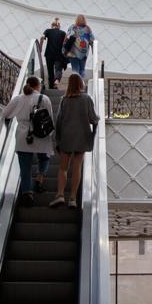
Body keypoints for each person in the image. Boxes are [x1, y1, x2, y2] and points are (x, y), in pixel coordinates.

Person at [2, 76, 54, 207]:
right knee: (45, 157)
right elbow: (50, 118)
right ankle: (39, 178)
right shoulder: (44, 99)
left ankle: (27, 193)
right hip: (41, 134)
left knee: (25, 166)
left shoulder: (18, 99)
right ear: (38, 86)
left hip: (23, 135)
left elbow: (5, 114)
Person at [50, 73, 99, 209]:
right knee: (77, 167)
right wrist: (98, 119)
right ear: (80, 83)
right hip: (82, 136)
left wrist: (57, 139)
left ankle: (60, 195)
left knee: (63, 168)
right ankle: (72, 198)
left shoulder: (64, 100)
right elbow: (93, 118)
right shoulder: (87, 99)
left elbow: (58, 121)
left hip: (66, 136)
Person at [66, 14, 94, 79]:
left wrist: (64, 49)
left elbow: (67, 38)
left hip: (73, 53)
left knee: (75, 69)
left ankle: (75, 84)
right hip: (84, 53)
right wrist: (94, 52)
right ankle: (81, 84)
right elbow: (92, 40)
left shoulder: (73, 27)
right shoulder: (88, 28)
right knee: (82, 70)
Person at [42, 17, 67, 89]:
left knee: (50, 71)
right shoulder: (63, 33)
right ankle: (56, 80)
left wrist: (40, 47)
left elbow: (42, 37)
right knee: (58, 69)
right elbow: (65, 42)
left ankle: (51, 87)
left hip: (49, 54)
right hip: (59, 55)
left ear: (52, 26)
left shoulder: (48, 30)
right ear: (59, 26)